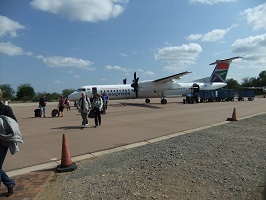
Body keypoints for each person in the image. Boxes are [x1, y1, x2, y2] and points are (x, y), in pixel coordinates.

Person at [0, 89, 23, 197]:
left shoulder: (5, 108)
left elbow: (14, 123)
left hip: (2, 142)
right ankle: (9, 182)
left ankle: (9, 183)